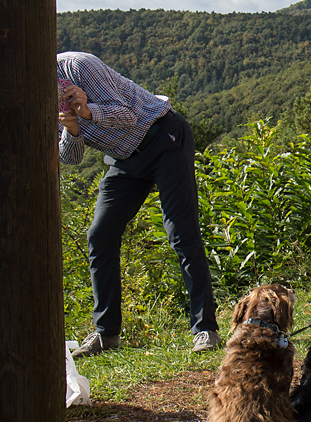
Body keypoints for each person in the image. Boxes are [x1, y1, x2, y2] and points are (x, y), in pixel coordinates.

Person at [57, 51, 220, 356]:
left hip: (162, 138)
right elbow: (71, 157)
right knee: (100, 235)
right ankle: (106, 334)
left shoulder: (77, 66)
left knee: (181, 234)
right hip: (124, 159)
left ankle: (205, 329)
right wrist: (72, 128)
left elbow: (127, 115)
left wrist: (88, 110)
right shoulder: (37, 98)